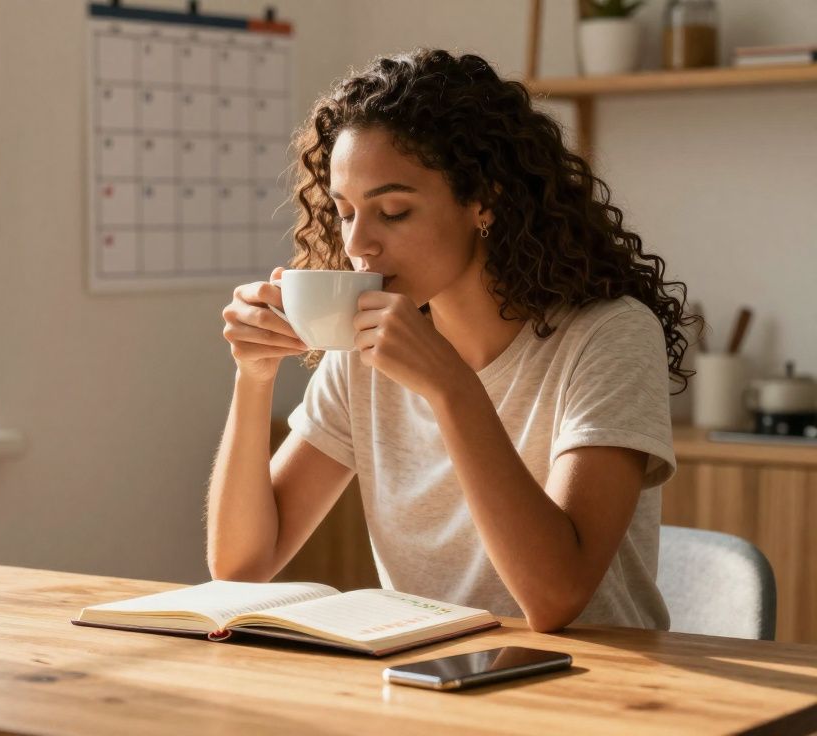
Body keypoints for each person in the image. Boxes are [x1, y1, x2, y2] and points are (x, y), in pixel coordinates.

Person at [207, 49, 700, 632]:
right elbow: (240, 568)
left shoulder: (608, 335)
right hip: (427, 685)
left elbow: (556, 598)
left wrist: (450, 387)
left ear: (483, 200)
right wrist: (254, 376)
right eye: (344, 212)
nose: (359, 243)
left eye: (393, 211)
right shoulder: (363, 349)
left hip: (594, 689)